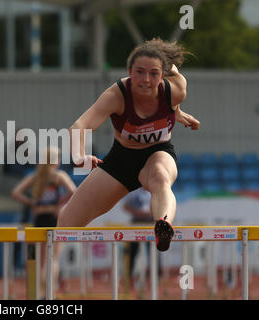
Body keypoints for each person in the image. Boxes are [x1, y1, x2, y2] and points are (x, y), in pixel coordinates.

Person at [57, 38, 200, 252]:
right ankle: (48, 279)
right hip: (121, 160)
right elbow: (80, 125)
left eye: (153, 74)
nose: (145, 80)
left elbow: (173, 90)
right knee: (66, 224)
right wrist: (79, 157)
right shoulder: (116, 95)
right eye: (139, 72)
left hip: (158, 152)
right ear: (129, 72)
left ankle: (164, 225)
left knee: (160, 177)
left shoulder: (176, 89)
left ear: (162, 75)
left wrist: (176, 112)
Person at [11, 147, 76, 294]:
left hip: (39, 218)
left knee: (37, 260)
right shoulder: (59, 176)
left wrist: (31, 202)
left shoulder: (36, 177)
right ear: (56, 160)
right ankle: (49, 292)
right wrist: (60, 203)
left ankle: (36, 292)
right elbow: (73, 191)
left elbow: (15, 192)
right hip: (53, 217)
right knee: (53, 259)